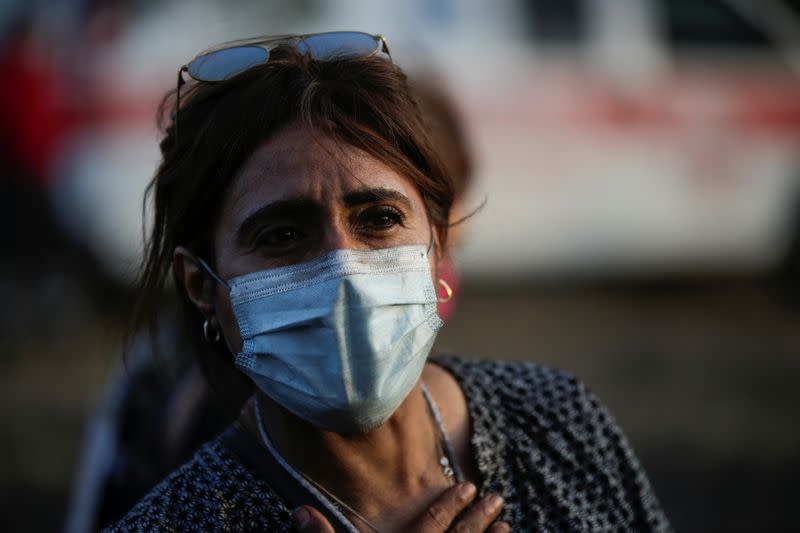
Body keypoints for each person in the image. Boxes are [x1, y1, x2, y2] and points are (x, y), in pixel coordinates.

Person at [104, 31, 671, 532]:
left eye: (378, 218)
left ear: (437, 243)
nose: (343, 270)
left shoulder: (558, 423)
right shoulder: (177, 521)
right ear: (201, 284)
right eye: (281, 235)